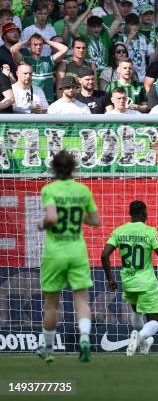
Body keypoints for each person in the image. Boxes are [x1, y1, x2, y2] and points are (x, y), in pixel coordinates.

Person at [36, 150, 100, 362]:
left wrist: (41, 223)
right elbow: (95, 221)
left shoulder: (49, 189)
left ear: (53, 168)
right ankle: (84, 338)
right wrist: (78, 215)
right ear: (74, 168)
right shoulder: (83, 190)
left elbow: (52, 217)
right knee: (81, 300)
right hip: (77, 251)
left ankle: (48, 348)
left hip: (55, 253)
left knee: (52, 304)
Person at [101, 200, 158, 356]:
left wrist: (110, 279)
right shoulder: (150, 232)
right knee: (154, 321)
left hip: (128, 282)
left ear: (130, 214)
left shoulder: (119, 231)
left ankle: (144, 343)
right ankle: (140, 337)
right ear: (144, 213)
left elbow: (104, 255)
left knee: (137, 313)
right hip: (147, 283)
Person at [11, 33, 69, 104]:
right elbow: (13, 49)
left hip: (48, 102)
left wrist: (47, 41)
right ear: (29, 45)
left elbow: (65, 49)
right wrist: (27, 41)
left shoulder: (48, 60)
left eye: (40, 44)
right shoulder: (25, 61)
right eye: (35, 44)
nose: (38, 47)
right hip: (30, 103)